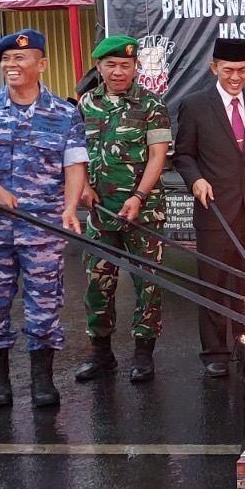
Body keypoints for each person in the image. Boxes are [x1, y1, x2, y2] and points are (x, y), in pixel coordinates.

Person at [0, 29, 87, 409]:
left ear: (41, 64)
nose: (12, 65)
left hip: (43, 228)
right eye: (7, 60)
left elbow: (75, 166)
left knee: (44, 307)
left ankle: (42, 382)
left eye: (21, 59)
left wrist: (69, 207)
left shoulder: (64, 113)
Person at [172, 37, 245, 379]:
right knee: (214, 282)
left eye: (242, 70)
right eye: (228, 70)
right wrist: (195, 180)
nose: (236, 77)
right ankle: (216, 351)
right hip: (214, 209)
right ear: (213, 67)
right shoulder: (195, 105)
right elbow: (183, 154)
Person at [74, 35, 172, 384]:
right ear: (99, 67)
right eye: (111, 65)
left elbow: (158, 155)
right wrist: (83, 187)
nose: (118, 72)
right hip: (100, 213)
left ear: (135, 68)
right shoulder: (86, 105)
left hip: (142, 211)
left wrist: (139, 196)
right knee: (99, 283)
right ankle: (101, 354)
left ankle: (143, 356)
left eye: (126, 65)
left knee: (148, 283)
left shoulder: (151, 105)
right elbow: (75, 155)